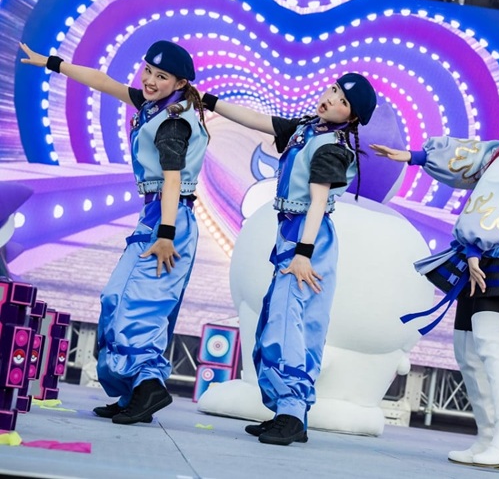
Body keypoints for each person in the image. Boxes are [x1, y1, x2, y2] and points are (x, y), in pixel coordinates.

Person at [370, 80, 499, 469]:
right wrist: (415, 156)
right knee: (467, 345)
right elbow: (473, 157)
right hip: (494, 247)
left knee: (489, 342)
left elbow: (495, 196)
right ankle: (494, 436)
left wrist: (475, 247)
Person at [19, 40, 209, 425]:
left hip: (169, 220)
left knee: (140, 307)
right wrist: (52, 63)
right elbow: (103, 81)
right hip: (154, 215)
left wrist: (166, 234)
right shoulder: (154, 106)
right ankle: (132, 391)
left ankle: (148, 386)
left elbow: (173, 180)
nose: (150, 80)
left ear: (179, 83)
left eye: (161, 76)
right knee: (114, 299)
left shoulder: (173, 121)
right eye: (148, 71)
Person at [200, 73, 376, 445]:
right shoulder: (305, 130)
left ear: (353, 117)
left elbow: (317, 203)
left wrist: (303, 254)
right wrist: (210, 102)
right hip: (292, 234)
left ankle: (292, 413)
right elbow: (255, 119)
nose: (331, 99)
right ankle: (289, 412)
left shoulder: (330, 146)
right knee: (280, 321)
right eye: (333, 90)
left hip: (307, 239)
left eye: (343, 101)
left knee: (288, 325)